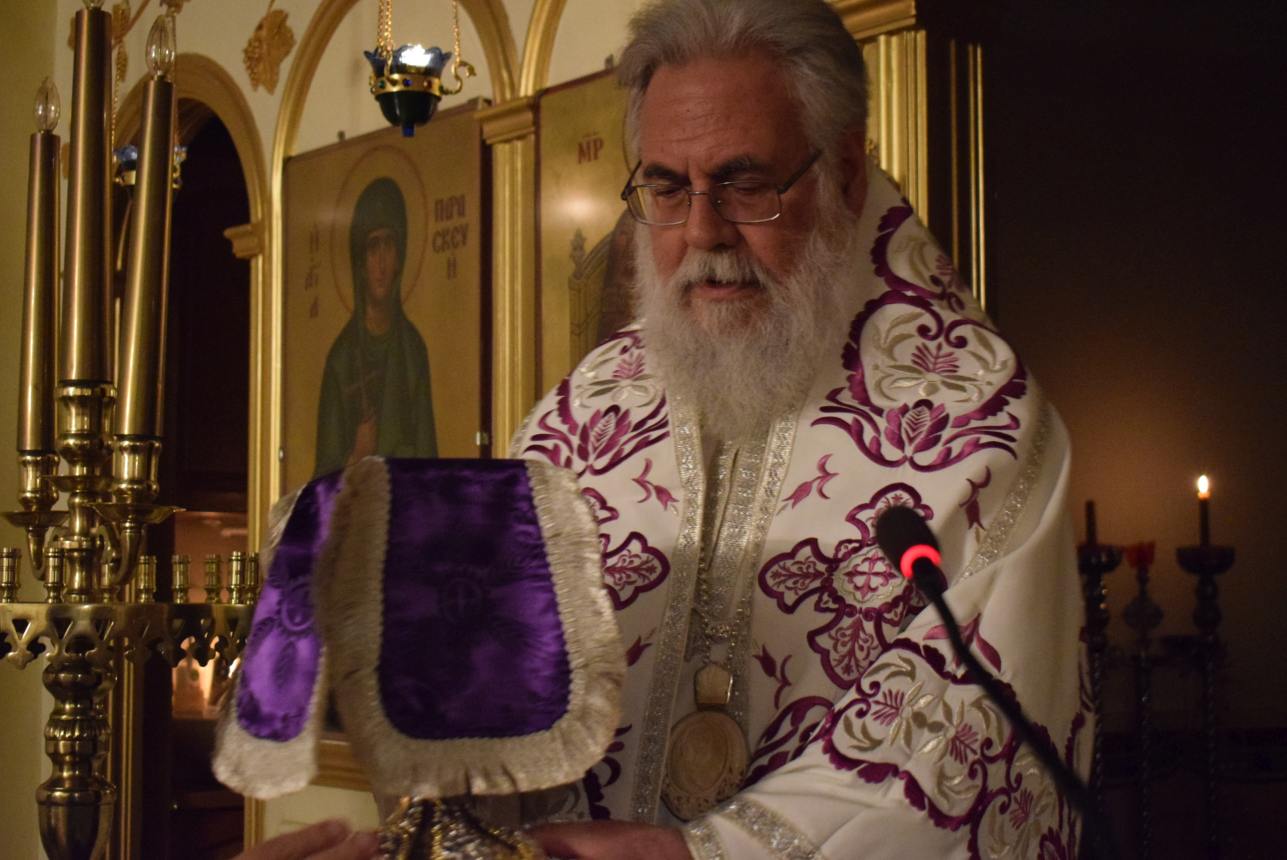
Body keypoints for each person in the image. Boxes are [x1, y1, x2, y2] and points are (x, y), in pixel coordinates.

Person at [510, 1, 1090, 857]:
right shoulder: (575, 423)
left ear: (845, 173)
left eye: (744, 184)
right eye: (666, 188)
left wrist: (705, 854)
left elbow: (970, 745)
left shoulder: (980, 434)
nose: (702, 232)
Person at [314, 177, 438, 477]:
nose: (381, 262)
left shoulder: (413, 350)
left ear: (400, 257)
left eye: (389, 246)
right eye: (372, 248)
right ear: (360, 262)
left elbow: (429, 462)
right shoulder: (341, 361)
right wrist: (356, 456)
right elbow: (321, 484)